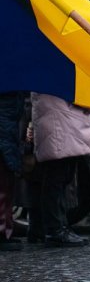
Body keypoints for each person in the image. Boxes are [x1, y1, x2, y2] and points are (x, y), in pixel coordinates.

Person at [28, 93, 90, 247]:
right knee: (57, 180)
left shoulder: (44, 75)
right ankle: (56, 230)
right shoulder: (61, 73)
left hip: (55, 124)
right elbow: (86, 101)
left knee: (47, 178)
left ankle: (40, 228)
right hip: (63, 126)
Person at [0, 91, 27, 251]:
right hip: (5, 132)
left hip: (7, 131)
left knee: (7, 184)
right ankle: (2, 232)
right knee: (3, 185)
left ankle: (5, 229)